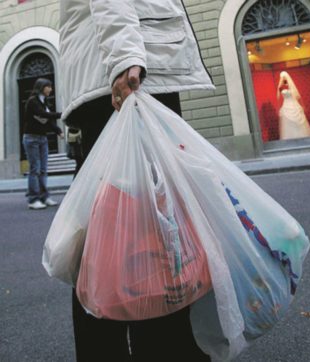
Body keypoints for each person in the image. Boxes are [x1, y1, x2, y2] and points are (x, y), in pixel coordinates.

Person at [59, 1, 214, 361]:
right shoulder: (126, 64)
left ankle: (110, 349)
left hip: (119, 68)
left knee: (109, 240)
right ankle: (167, 348)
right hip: (127, 73)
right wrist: (125, 55)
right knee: (150, 238)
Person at [23, 78, 64, 210]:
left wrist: (58, 131)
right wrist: (61, 115)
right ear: (42, 87)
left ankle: (44, 197)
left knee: (43, 169)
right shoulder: (32, 102)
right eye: (49, 87)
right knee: (35, 169)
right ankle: (33, 199)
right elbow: (42, 114)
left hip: (42, 138)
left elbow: (47, 120)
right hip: (31, 138)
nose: (51, 89)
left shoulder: (44, 101)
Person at [277, 71, 310, 140]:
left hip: (294, 104)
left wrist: (302, 105)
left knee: (298, 122)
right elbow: (278, 97)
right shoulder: (281, 87)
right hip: (286, 105)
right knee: (288, 122)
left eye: (284, 78)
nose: (283, 79)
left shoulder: (291, 87)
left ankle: (302, 136)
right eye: (282, 78)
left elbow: (298, 96)